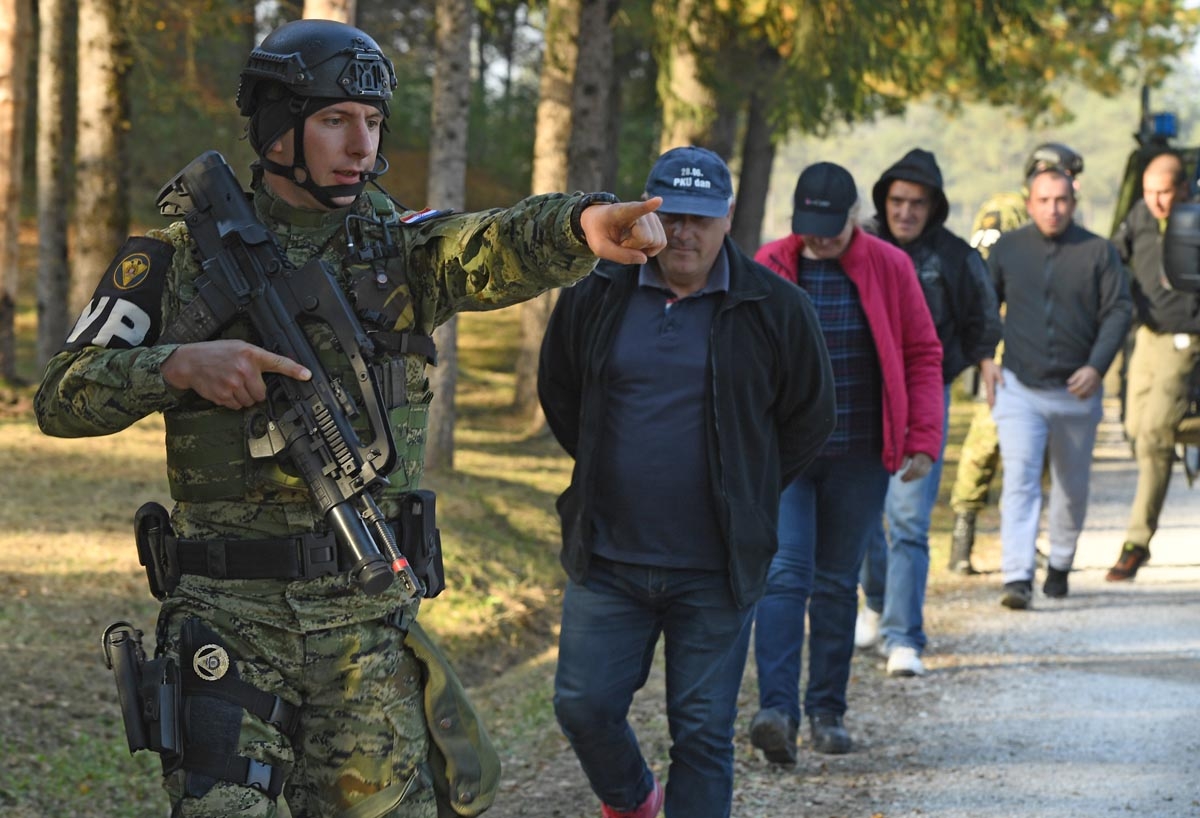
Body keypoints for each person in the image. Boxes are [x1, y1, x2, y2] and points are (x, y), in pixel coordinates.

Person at [35, 19, 666, 818]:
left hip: (364, 629)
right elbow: (60, 394)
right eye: (335, 119)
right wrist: (176, 365)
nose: (360, 143)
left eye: (372, 123)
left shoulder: (401, 251)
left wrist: (581, 226)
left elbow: (494, 242)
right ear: (276, 126)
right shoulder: (170, 259)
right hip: (229, 625)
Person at [537, 146, 835, 816]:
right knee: (583, 706)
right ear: (646, 213)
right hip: (608, 556)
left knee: (701, 734)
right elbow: (560, 390)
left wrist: (748, 487)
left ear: (728, 218)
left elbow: (809, 417)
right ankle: (635, 798)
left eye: (702, 219)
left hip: (716, 568)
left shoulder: (774, 308)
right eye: (671, 216)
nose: (684, 234)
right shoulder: (598, 292)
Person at [749, 162, 943, 760]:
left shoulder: (889, 265)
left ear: (855, 217)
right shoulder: (771, 262)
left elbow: (922, 352)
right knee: (783, 576)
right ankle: (776, 711)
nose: (820, 240)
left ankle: (826, 713)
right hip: (786, 455)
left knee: (836, 584)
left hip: (860, 452)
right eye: (809, 228)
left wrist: (923, 436)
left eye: (831, 228)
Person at [855, 149, 1002, 677]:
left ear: (933, 206)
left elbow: (981, 316)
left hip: (923, 393)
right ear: (883, 201)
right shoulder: (860, 246)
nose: (906, 212)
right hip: (863, 392)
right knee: (864, 513)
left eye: (917, 203)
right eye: (897, 200)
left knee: (910, 519)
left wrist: (983, 362)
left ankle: (903, 637)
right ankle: (875, 600)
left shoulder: (956, 256)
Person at [983, 166, 1132, 609]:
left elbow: (1119, 312)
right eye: (1044, 200)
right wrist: (985, 358)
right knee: (1020, 481)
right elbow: (985, 304)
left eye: (1061, 200)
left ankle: (1061, 564)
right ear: (1029, 203)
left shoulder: (1098, 252)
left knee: (1072, 485)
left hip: (1076, 391)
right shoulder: (1009, 249)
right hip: (1019, 387)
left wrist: (1097, 367)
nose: (1053, 208)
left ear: (1074, 201)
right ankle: (1017, 576)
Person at [948, 143, 1086, 574]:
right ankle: (961, 536)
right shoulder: (1003, 211)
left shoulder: (1058, 219)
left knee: (1038, 451)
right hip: (1004, 343)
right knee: (986, 439)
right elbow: (981, 270)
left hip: (1046, 347)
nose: (1071, 186)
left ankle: (1024, 539)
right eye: (1067, 174)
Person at [1105, 151, 1200, 581]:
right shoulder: (1140, 216)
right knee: (1133, 428)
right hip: (1146, 334)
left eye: (1164, 192)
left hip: (1185, 337)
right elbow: (1113, 257)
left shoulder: (1195, 218)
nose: (1156, 201)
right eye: (1149, 192)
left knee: (1155, 435)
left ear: (1183, 188)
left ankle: (1136, 543)